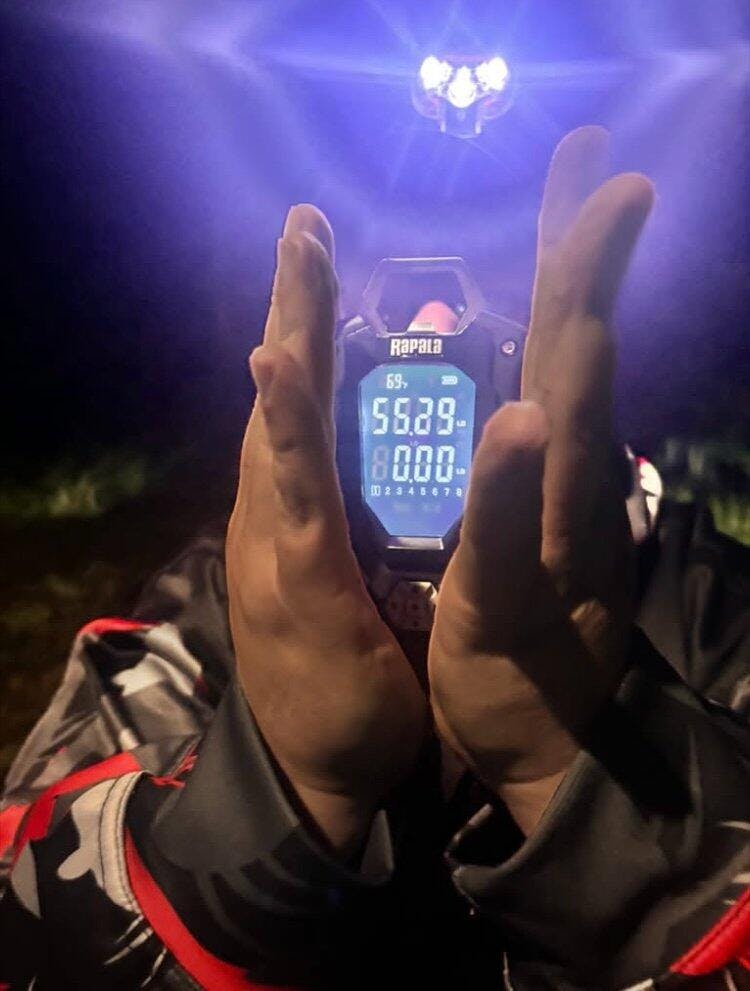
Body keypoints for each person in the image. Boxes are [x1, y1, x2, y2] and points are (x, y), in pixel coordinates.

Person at [1, 126, 749, 990]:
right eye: (384, 293)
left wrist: (574, 758)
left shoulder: (708, 597)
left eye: (492, 285)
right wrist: (275, 785)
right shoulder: (218, 598)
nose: (429, 330)